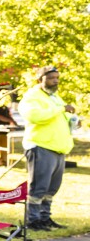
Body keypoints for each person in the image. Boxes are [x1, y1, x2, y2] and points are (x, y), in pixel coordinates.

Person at [18, 65, 75, 231]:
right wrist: (61, 109)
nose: (55, 81)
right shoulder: (32, 97)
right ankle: (33, 220)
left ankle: (45, 218)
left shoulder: (54, 97)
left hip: (57, 149)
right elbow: (34, 116)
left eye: (57, 78)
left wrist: (72, 119)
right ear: (39, 79)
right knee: (39, 187)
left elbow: (60, 116)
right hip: (40, 146)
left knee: (51, 189)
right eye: (51, 78)